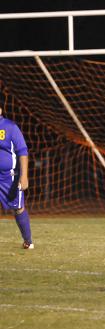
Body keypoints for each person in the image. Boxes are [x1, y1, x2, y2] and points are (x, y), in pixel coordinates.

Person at [0, 105, 34, 249]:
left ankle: (28, 241)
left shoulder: (10, 127)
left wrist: (24, 176)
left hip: (9, 177)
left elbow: (22, 151)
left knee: (18, 208)